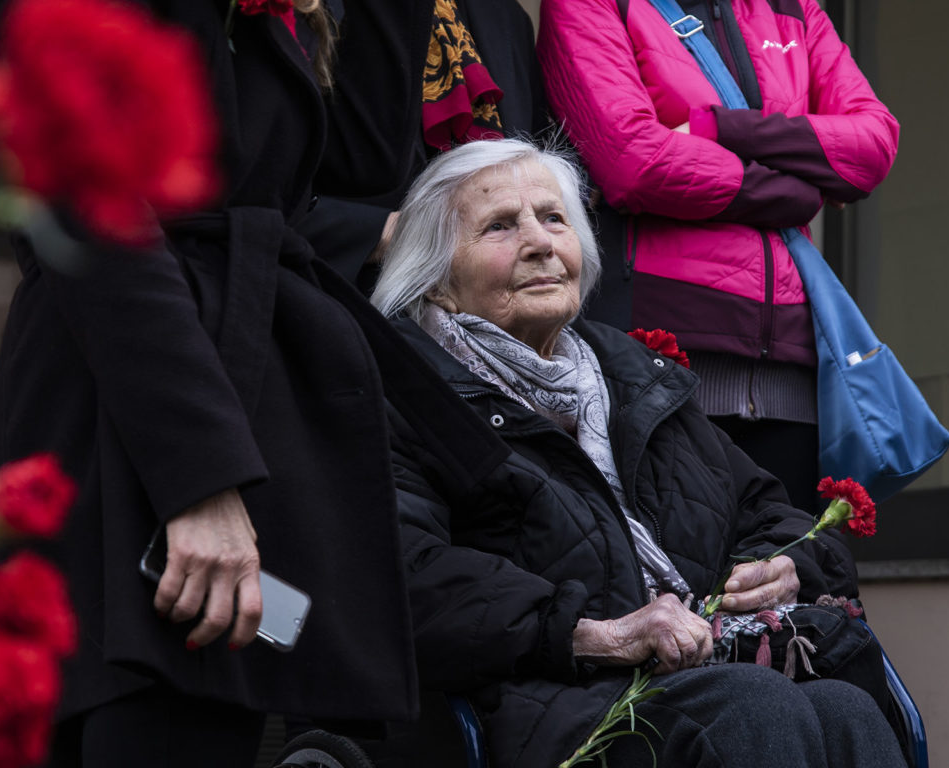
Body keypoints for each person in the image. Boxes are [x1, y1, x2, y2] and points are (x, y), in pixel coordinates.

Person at [0, 1, 419, 765]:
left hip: (230, 387)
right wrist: (199, 479)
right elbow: (86, 199)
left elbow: (366, 159)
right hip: (124, 397)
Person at [370, 139, 904, 768]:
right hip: (544, 697)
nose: (540, 243)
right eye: (499, 226)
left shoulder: (633, 378)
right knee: (753, 706)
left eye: (553, 218)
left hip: (701, 671)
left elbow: (766, 510)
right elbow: (407, 577)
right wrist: (592, 634)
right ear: (436, 281)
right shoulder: (406, 394)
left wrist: (780, 567)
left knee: (847, 711)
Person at [536, 0, 900, 512]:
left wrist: (720, 130)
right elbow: (635, 162)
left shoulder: (795, 10)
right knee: (677, 584)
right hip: (659, 355)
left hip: (791, 368)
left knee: (787, 575)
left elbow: (873, 144)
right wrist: (797, 189)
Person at [301, 0, 552, 286]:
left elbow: (535, 155)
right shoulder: (307, 7)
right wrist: (373, 232)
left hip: (500, 290)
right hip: (352, 291)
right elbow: (268, 189)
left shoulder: (504, 15)